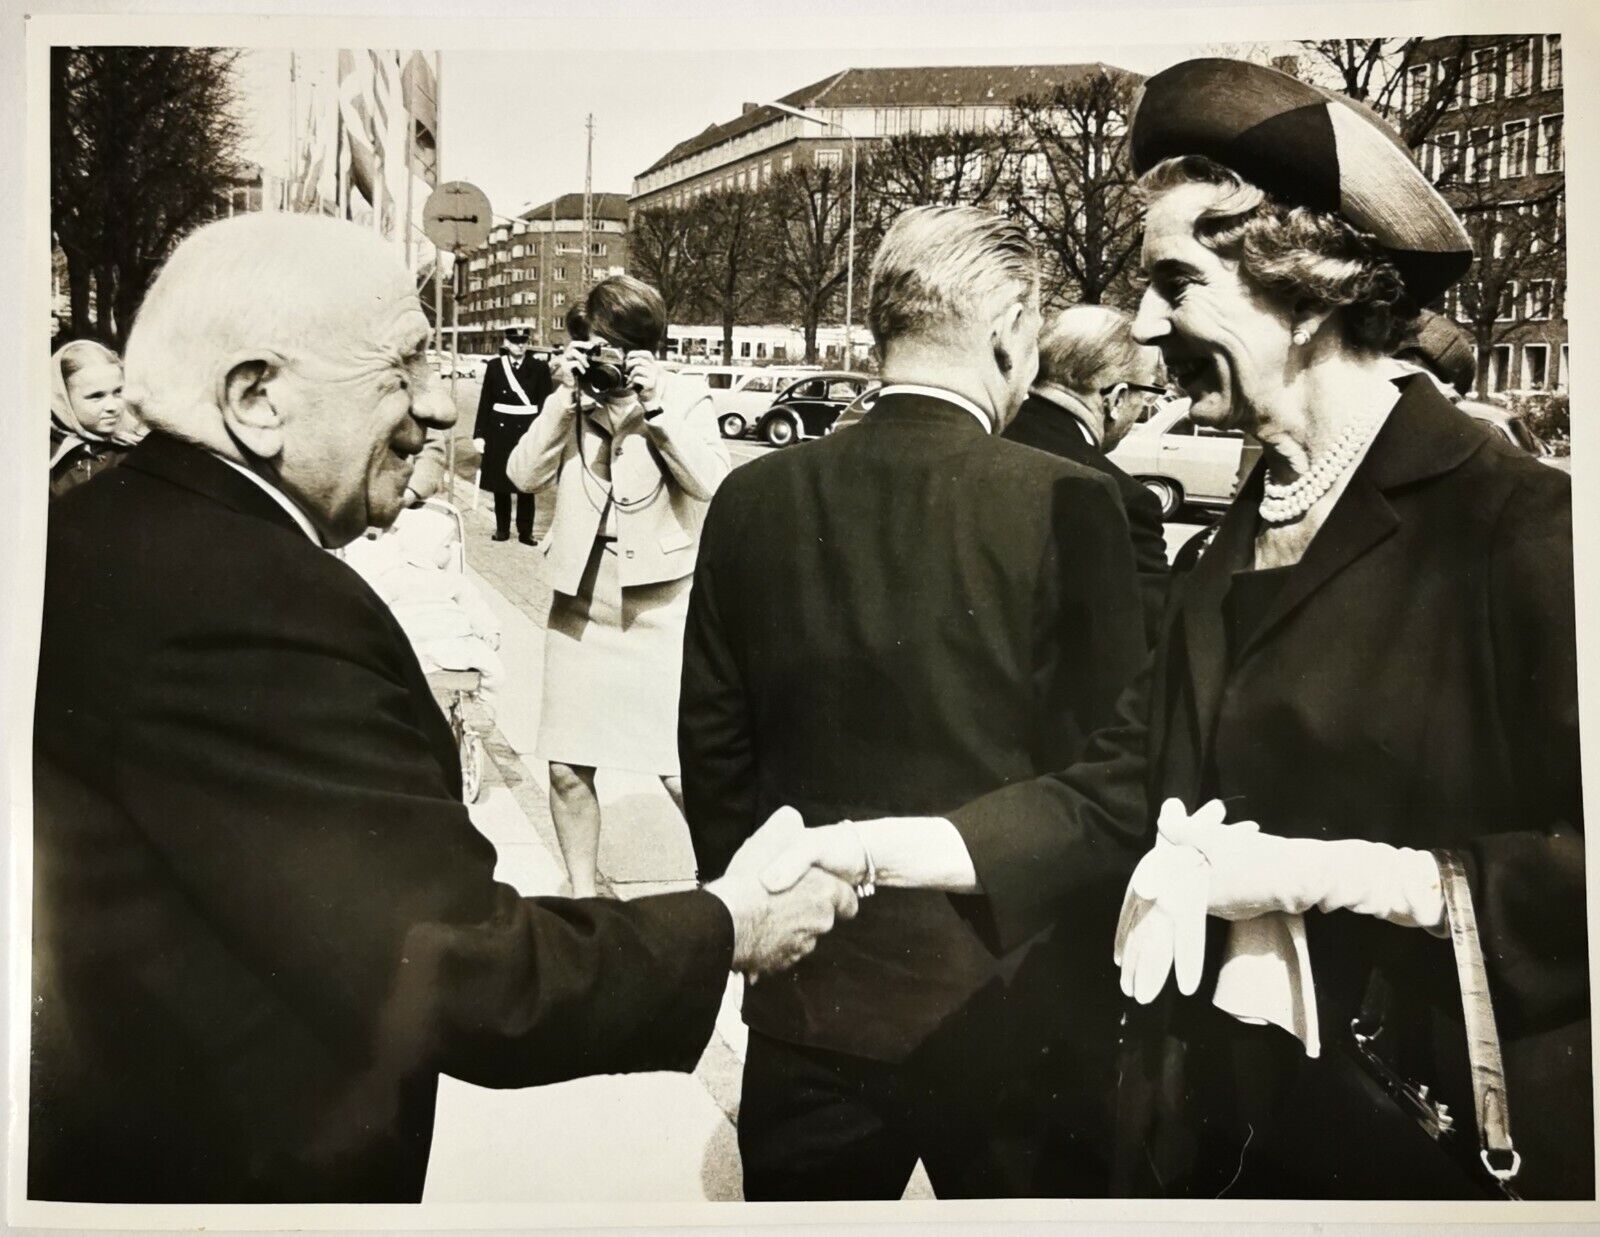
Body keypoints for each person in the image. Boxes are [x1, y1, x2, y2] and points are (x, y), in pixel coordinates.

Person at [750, 58, 1587, 1200]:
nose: (1143, 325)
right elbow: (1106, 794)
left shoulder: (1517, 528)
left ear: (1307, 288)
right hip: (1225, 1134)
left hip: (1415, 1145)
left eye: (1177, 283)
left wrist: (1365, 878)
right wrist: (863, 848)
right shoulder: (1223, 549)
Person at [30, 213, 858, 1204]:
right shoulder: (261, 605)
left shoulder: (98, 532)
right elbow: (458, 966)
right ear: (257, 397)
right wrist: (728, 924)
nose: (436, 408)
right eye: (406, 367)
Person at [680, 204, 1147, 1200]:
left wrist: (763, 923)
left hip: (809, 992)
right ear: (1012, 327)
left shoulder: (754, 496)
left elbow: (714, 747)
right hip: (1012, 1001)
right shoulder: (1070, 500)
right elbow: (1107, 773)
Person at [505, 277, 728, 899]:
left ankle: (722, 877)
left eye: (617, 346)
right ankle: (583, 894)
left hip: (660, 604)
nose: (606, 358)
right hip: (581, 601)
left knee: (681, 770)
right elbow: (521, 477)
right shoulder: (572, 397)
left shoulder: (681, 395)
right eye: (595, 344)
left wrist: (655, 414)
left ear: (646, 346)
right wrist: (559, 403)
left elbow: (712, 484)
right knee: (567, 767)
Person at [1003, 304, 1171, 643]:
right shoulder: (1123, 498)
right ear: (1117, 398)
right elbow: (1145, 635)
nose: (1141, 412)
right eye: (1147, 395)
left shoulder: (981, 443)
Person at [474, 326, 552, 544]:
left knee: (526, 483)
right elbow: (485, 402)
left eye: (523, 340)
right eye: (515, 341)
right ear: (506, 343)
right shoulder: (495, 367)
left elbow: (546, 405)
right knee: (501, 484)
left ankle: (526, 532)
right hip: (498, 431)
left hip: (528, 430)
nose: (520, 345)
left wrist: (544, 435)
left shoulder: (539, 367)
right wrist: (479, 434)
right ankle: (502, 530)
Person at [48, 338, 130, 499]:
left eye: (118, 391)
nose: (113, 407)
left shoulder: (132, 450)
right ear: (63, 398)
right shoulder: (40, 454)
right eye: (96, 396)